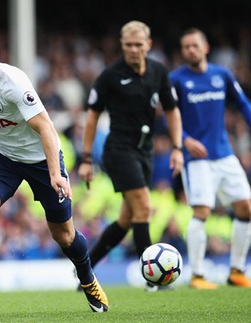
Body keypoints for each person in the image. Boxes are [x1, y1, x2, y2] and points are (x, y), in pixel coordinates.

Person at [0, 33, 108, 313]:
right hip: (4, 157)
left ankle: (87, 278)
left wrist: (55, 174)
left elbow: (47, 128)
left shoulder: (12, 82)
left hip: (41, 158)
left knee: (64, 236)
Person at [77, 20, 184, 292]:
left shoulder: (159, 72)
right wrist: (87, 158)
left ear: (148, 45)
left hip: (145, 151)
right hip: (119, 150)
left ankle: (84, 272)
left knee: (128, 217)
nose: (134, 50)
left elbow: (172, 111)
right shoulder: (111, 76)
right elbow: (92, 118)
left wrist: (177, 147)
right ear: (122, 46)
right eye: (128, 45)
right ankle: (152, 278)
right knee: (144, 207)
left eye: (139, 44)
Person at [169, 28, 251, 289]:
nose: (190, 50)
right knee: (202, 211)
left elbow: (243, 104)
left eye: (194, 45)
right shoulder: (176, 79)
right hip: (197, 159)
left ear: (205, 48)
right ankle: (197, 275)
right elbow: (167, 116)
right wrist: (185, 141)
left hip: (224, 153)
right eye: (185, 47)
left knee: (246, 208)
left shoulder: (221, 74)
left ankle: (237, 271)